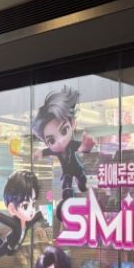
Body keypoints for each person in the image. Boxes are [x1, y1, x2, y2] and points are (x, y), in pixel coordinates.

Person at [32, 86, 95, 216]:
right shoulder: (56, 150)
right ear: (46, 142)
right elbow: (48, 151)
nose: (60, 141)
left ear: (72, 123)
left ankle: (81, 187)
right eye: (51, 140)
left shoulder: (72, 145)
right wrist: (40, 153)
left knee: (83, 182)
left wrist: (85, 147)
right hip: (67, 172)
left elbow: (80, 147)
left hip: (77, 169)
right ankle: (69, 204)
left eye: (64, 130)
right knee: (66, 185)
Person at [0, 170, 45, 264]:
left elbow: (35, 217)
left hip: (15, 243)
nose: (32, 210)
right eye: (25, 206)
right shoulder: (16, 224)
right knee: (4, 251)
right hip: (10, 243)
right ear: (12, 209)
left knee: (11, 252)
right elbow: (7, 220)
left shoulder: (27, 223)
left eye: (33, 204)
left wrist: (42, 213)